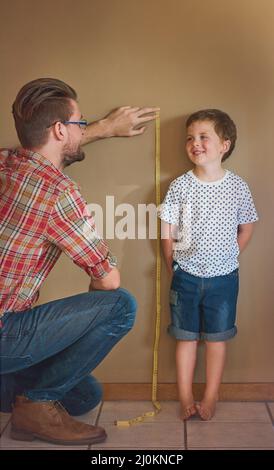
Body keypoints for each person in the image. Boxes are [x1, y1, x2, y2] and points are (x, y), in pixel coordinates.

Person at [0, 77, 158, 445]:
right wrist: (89, 319)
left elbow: (44, 149)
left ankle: (29, 398)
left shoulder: (7, 162)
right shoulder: (59, 192)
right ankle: (34, 409)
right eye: (81, 122)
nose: (85, 128)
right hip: (4, 332)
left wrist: (102, 128)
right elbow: (108, 280)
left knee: (83, 394)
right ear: (59, 129)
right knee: (119, 305)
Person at [159, 109, 258, 421]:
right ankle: (186, 395)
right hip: (185, 276)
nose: (195, 143)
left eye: (204, 137)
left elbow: (247, 226)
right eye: (190, 138)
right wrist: (170, 262)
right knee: (186, 337)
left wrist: (232, 253)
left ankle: (211, 395)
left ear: (224, 145)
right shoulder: (180, 186)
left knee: (216, 340)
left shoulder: (237, 187)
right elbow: (167, 229)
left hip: (224, 279)